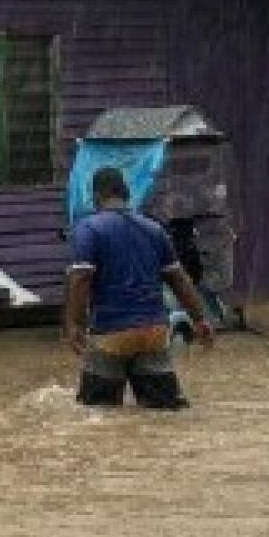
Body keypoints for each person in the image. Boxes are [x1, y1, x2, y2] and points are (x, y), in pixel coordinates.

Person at [63, 166, 215, 408]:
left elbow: (80, 280)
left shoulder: (88, 229)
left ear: (96, 197)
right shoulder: (154, 230)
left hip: (110, 332)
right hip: (153, 332)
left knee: (98, 413)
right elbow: (180, 280)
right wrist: (200, 319)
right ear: (126, 193)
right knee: (164, 412)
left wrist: (74, 325)